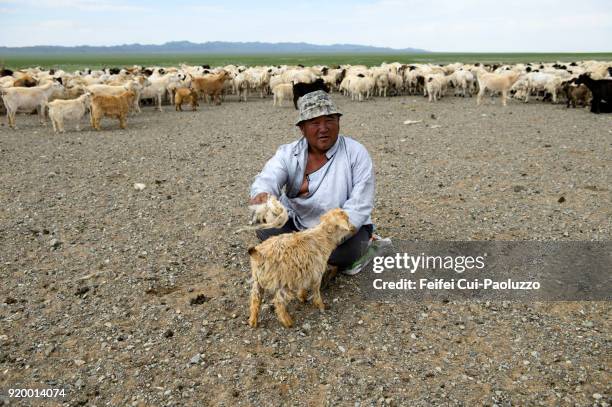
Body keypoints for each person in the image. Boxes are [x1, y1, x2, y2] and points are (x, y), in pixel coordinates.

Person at [249, 90, 375, 270]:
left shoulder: (356, 153)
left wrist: (327, 236)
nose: (323, 128)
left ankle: (297, 259)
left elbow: (360, 205)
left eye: (330, 120)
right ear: (302, 128)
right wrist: (263, 194)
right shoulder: (288, 153)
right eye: (315, 122)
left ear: (338, 122)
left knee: (348, 251)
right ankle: (310, 261)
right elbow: (270, 176)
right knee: (262, 221)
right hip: (298, 224)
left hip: (340, 231)